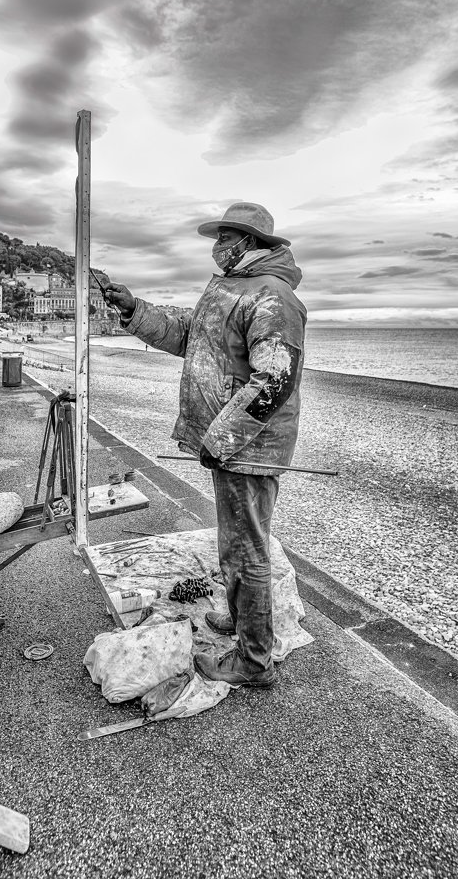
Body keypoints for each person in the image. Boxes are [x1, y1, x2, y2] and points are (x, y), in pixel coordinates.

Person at [105, 202, 306, 688]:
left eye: (226, 237)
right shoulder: (230, 289)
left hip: (248, 447)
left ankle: (254, 662)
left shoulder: (272, 297)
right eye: (217, 237)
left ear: (252, 244)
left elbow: (275, 381)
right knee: (234, 544)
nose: (218, 246)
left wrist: (222, 439)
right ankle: (242, 623)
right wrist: (134, 310)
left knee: (246, 551)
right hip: (230, 445)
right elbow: (189, 337)